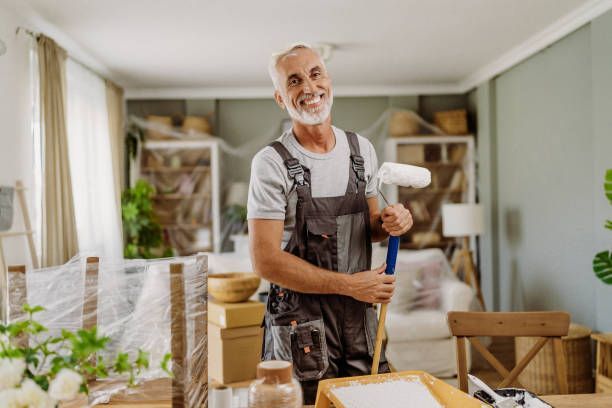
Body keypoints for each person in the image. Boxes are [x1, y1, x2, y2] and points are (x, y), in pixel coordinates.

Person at [247, 43, 413, 404]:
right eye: (294, 81)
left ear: (329, 80)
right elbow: (264, 261)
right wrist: (350, 286)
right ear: (280, 97)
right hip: (301, 329)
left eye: (315, 73)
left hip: (359, 320)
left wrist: (392, 221)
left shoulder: (361, 151)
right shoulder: (272, 163)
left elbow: (370, 226)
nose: (309, 87)